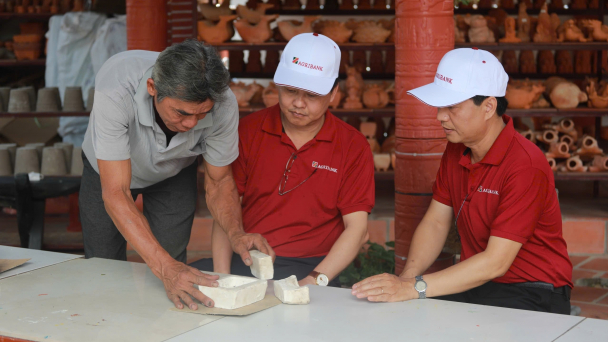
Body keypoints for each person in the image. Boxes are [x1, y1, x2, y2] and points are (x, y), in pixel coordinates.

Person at [351, 48, 573, 314]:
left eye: (452, 107)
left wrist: (413, 289)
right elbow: (435, 222)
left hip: (534, 290)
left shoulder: (525, 164)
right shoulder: (458, 147)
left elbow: (495, 263)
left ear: (489, 107)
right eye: (440, 106)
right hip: (478, 283)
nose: (440, 116)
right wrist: (405, 280)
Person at [80, 40, 274, 310]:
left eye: (201, 114)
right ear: (152, 88)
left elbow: (219, 182)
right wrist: (164, 267)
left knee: (175, 265)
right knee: (103, 265)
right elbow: (116, 192)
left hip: (174, 169)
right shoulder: (116, 85)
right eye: (181, 113)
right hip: (110, 172)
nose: (191, 124)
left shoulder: (224, 104)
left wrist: (236, 233)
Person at [190, 33, 375, 287]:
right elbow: (225, 208)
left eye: (311, 95)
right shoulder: (249, 131)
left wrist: (314, 280)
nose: (298, 103)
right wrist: (224, 278)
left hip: (314, 265)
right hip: (246, 258)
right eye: (290, 91)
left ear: (334, 93)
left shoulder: (352, 146)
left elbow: (357, 230)